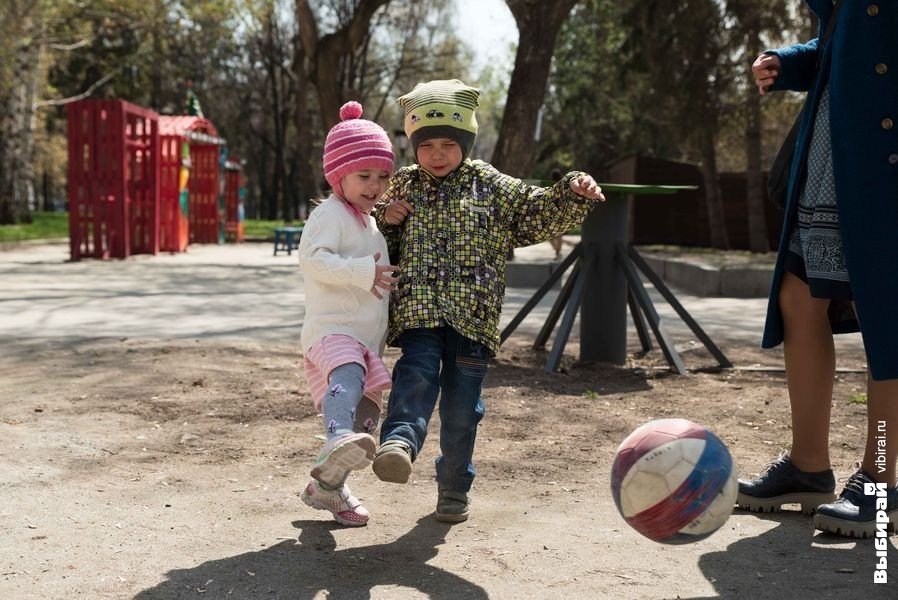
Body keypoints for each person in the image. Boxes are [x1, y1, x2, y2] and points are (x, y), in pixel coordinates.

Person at [370, 79, 606, 523]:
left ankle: (454, 488)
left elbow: (533, 210)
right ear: (413, 146)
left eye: (447, 144)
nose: (436, 154)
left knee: (462, 412)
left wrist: (572, 189)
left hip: (473, 321)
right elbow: (380, 245)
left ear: (465, 141)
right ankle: (399, 442)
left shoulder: (489, 185)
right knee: (415, 376)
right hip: (420, 310)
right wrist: (389, 218)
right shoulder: (404, 185)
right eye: (426, 145)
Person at [737, 0, 897, 538]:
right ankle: (808, 466)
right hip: (839, 148)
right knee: (799, 297)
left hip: (884, 148)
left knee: (888, 316)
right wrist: (790, 62)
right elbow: (840, 39)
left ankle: (880, 484)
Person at [297, 101, 398, 527]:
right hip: (332, 331)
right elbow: (313, 261)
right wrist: (365, 272)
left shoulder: (370, 223)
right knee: (348, 382)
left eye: (382, 177)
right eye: (364, 176)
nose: (375, 185)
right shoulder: (330, 215)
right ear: (338, 176)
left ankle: (328, 488)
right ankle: (335, 438)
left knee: (367, 417)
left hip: (363, 339)